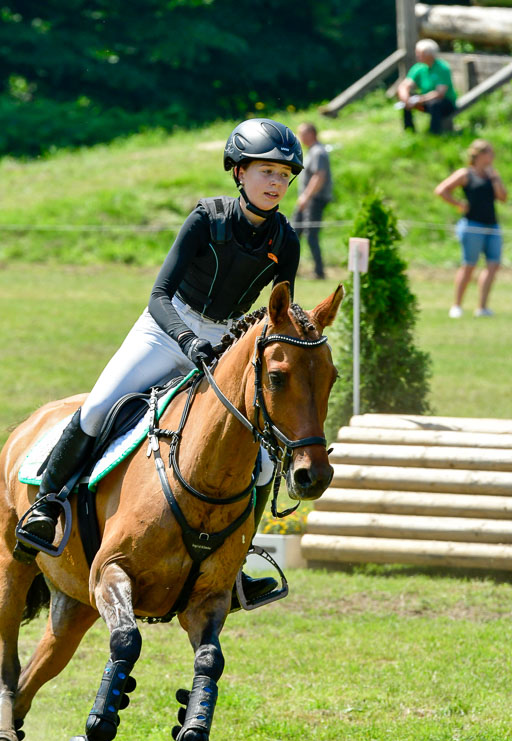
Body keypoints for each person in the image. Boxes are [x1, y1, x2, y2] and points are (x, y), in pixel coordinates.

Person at [15, 118, 304, 606]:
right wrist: (189, 341)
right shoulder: (205, 220)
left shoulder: (286, 241)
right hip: (165, 329)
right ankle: (45, 506)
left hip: (226, 343)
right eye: (266, 172)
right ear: (239, 172)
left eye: (285, 175)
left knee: (254, 459)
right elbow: (159, 295)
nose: (277, 183)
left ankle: (237, 560)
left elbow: (277, 312)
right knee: (98, 408)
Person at [435, 139, 507, 318]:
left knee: (493, 264)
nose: (492, 156)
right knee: (469, 265)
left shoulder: (492, 175)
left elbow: (503, 197)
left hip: (492, 225)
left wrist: (495, 178)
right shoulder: (466, 173)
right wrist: (459, 204)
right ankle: (457, 305)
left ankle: (482, 307)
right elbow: (442, 190)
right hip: (472, 225)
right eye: (490, 152)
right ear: (480, 155)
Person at [292, 123, 332, 279]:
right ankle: (291, 268)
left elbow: (319, 177)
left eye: (302, 133)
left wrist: (305, 197)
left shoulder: (318, 152)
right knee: (295, 232)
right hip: (308, 200)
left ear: (311, 134)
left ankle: (319, 271)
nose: (300, 137)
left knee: (310, 235)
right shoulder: (312, 152)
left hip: (314, 199)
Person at [397, 39, 457, 135]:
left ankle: (434, 133)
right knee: (407, 100)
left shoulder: (442, 68)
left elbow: (440, 94)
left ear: (430, 55)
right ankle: (409, 130)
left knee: (435, 104)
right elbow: (404, 86)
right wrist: (406, 99)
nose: (417, 55)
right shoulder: (419, 67)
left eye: (420, 53)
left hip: (445, 103)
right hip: (425, 101)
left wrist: (421, 99)